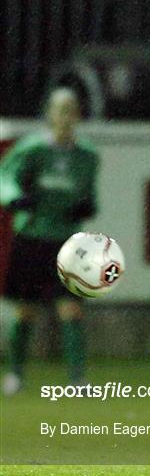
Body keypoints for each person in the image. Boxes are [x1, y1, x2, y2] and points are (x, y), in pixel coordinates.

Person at [0, 88, 99, 394]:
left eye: (71, 109)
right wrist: (16, 199)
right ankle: (15, 374)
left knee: (71, 309)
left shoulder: (87, 156)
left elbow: (88, 194)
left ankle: (77, 379)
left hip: (67, 241)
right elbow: (6, 178)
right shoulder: (31, 150)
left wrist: (88, 205)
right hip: (32, 236)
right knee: (25, 310)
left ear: (78, 116)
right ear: (49, 114)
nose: (66, 116)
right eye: (60, 109)